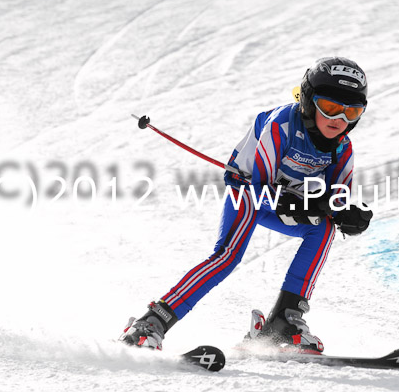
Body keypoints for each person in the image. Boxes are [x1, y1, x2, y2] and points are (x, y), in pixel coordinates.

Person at [121, 57, 373, 352]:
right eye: (329, 107)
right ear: (307, 101)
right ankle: (151, 322)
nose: (339, 120)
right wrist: (303, 205)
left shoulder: (342, 147)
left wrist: (347, 216)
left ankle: (283, 321)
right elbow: (258, 192)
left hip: (285, 203)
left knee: (325, 229)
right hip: (248, 194)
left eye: (352, 112)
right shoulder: (281, 125)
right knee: (228, 256)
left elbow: (336, 200)